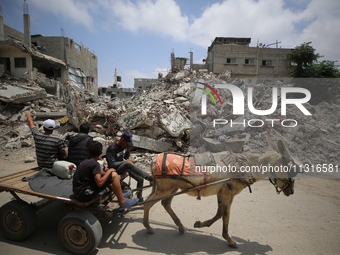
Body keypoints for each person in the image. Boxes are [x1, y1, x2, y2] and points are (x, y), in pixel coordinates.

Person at [72, 140, 138, 210]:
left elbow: (99, 172)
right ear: (101, 152)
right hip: (84, 195)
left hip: (78, 192)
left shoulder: (87, 161)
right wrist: (109, 171)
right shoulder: (95, 164)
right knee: (114, 175)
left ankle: (119, 194)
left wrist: (107, 173)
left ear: (88, 152)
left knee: (108, 176)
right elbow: (100, 183)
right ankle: (122, 201)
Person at [106, 131, 152, 202]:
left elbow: (125, 157)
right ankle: (149, 177)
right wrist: (125, 162)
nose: (127, 145)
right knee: (128, 164)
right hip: (114, 170)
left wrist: (128, 150)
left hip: (122, 167)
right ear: (122, 140)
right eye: (126, 143)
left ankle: (139, 198)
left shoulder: (123, 146)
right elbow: (111, 164)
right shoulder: (112, 148)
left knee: (140, 179)